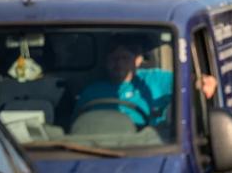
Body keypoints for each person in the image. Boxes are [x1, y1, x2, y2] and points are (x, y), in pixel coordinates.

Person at [76, 39, 217, 126]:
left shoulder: (154, 79)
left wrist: (203, 82)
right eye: (113, 58)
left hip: (148, 145)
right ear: (106, 62)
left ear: (137, 60)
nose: (118, 63)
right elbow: (77, 125)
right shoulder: (91, 92)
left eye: (124, 58)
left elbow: (190, 82)